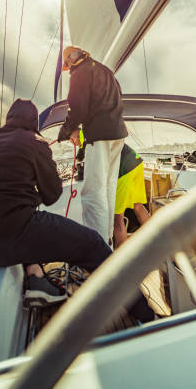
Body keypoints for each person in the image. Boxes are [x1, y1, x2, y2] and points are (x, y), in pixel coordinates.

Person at [0, 99, 153, 321]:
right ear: (33, 122)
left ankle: (37, 280)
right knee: (92, 243)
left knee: (28, 234)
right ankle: (146, 316)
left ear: (9, 118)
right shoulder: (35, 141)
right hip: (9, 234)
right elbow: (52, 195)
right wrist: (31, 195)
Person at [58, 46, 127, 245]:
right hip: (118, 135)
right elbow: (117, 97)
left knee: (93, 193)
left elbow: (78, 107)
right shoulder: (105, 70)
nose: (68, 67)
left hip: (100, 137)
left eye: (67, 63)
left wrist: (67, 130)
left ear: (71, 60)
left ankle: (96, 251)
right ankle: (106, 244)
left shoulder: (80, 73)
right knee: (107, 189)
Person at [113, 144, 150, 247]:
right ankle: (155, 242)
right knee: (138, 206)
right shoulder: (105, 130)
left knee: (117, 217)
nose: (72, 142)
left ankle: (121, 256)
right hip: (136, 162)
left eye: (71, 139)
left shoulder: (87, 134)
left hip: (124, 170)